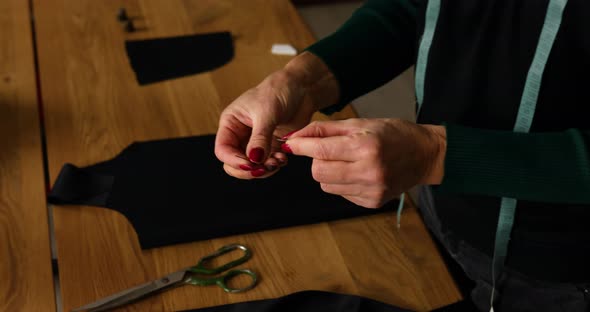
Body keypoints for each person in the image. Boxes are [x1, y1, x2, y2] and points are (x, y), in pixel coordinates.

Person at [214, 0, 590, 311]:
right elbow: (412, 10)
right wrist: (301, 81)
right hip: (438, 214)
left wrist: (435, 156)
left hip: (561, 272)